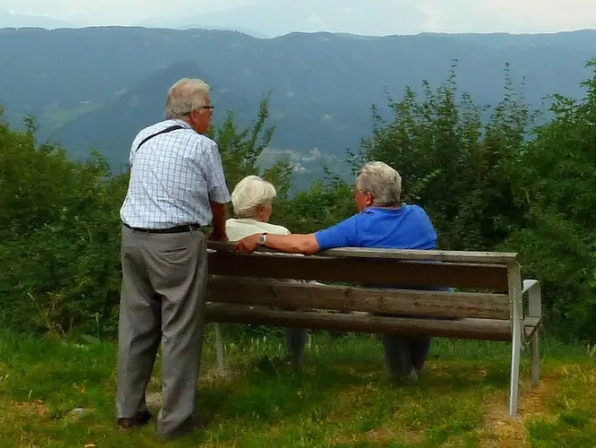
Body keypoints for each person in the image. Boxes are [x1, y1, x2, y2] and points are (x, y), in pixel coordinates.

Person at [234, 161, 438, 379]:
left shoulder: (360, 225)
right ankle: (411, 370)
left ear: (368, 197)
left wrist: (262, 237)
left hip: (387, 305)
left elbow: (305, 245)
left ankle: (404, 376)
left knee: (387, 302)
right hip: (432, 303)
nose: (354, 197)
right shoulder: (419, 215)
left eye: (356, 193)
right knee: (403, 299)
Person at [116, 77, 231, 439]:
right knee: (179, 331)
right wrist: (220, 233)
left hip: (132, 238)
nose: (211, 114)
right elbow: (218, 200)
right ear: (195, 113)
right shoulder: (202, 146)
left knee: (136, 327)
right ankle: (175, 422)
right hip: (177, 244)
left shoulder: (143, 136)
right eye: (209, 108)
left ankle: (129, 411)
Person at [225, 175, 308, 366]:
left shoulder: (224, 229)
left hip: (229, 296)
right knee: (302, 296)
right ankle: (295, 361)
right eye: (270, 205)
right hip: (278, 298)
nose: (272, 209)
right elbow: (298, 270)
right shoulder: (278, 233)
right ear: (261, 210)